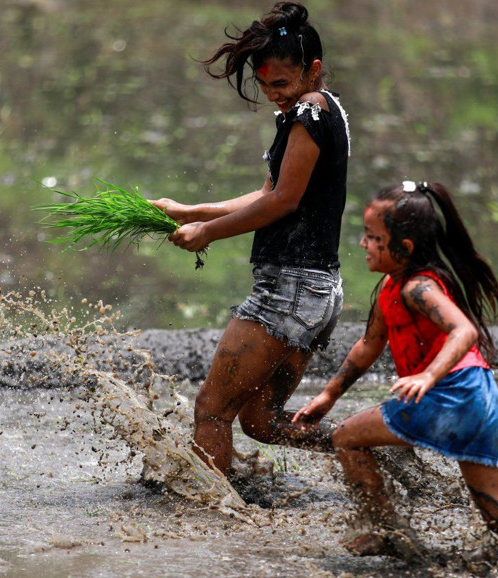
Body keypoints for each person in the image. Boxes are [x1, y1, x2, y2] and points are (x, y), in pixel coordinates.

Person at [294, 181, 498, 561]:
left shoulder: (419, 288)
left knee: (347, 437)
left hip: (451, 394)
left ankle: (387, 531)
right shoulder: (391, 288)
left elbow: (464, 331)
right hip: (478, 398)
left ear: (404, 247)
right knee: (497, 513)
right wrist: (329, 395)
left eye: (372, 237)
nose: (363, 244)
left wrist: (428, 376)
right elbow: (369, 345)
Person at [149, 2, 349, 476]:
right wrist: (189, 211)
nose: (272, 95)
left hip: (290, 289)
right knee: (261, 421)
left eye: (280, 83)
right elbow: (267, 193)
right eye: (264, 87)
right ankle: (372, 446)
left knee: (212, 409)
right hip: (318, 291)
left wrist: (207, 233)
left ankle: (213, 518)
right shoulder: (323, 109)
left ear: (312, 70)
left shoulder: (309, 112)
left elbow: (282, 203)